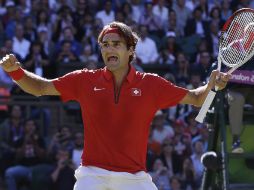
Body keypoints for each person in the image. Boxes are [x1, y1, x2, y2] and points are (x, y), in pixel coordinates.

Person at [0, 21, 230, 190]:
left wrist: (211, 85)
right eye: (105, 45)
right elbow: (40, 88)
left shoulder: (151, 84)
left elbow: (197, 98)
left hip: (134, 178)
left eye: (116, 44)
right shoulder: (84, 80)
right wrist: (16, 72)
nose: (109, 49)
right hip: (92, 175)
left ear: (130, 50)